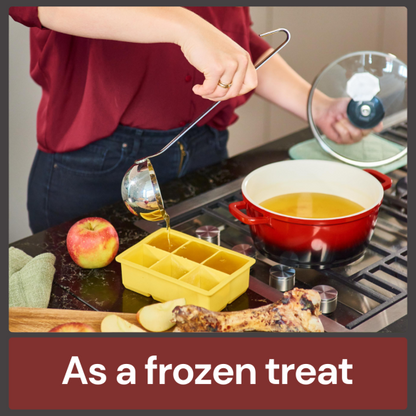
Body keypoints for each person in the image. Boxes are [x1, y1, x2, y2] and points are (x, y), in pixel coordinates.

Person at [9, 6, 382, 234]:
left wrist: (316, 106)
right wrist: (184, 24)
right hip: (97, 165)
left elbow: (230, 44)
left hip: (203, 149)